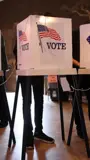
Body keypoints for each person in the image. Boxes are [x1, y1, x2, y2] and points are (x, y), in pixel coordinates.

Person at [13, 22, 55, 149]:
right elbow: (16, 51)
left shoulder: (42, 37)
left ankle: (38, 131)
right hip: (25, 72)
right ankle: (28, 135)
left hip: (37, 72)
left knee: (39, 101)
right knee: (27, 102)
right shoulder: (24, 32)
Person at [67, 29, 90, 139]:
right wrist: (80, 64)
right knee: (77, 100)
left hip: (87, 70)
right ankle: (80, 128)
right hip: (74, 71)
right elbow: (67, 53)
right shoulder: (75, 34)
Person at [0, 34, 9, 128]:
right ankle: (3, 118)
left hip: (0, 69)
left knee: (1, 95)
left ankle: (4, 119)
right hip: (1, 67)